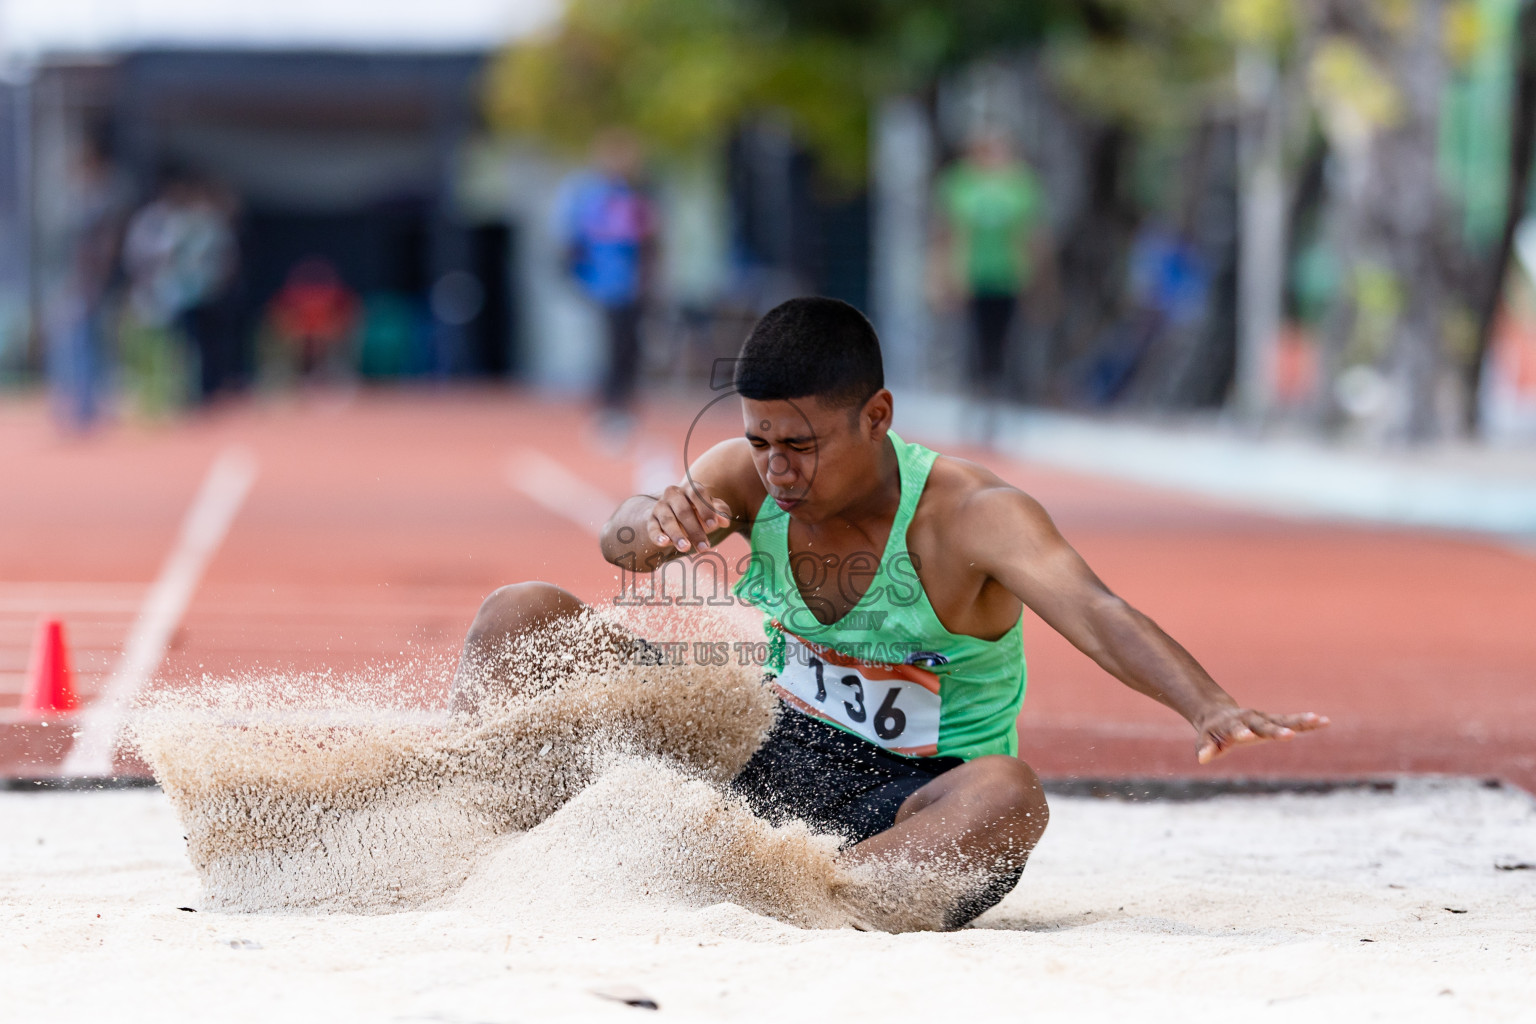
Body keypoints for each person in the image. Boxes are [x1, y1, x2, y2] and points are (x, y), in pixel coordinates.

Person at [454, 296, 1328, 929]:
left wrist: (1207, 702)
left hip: (909, 806)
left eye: (800, 446)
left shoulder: (971, 515)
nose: (777, 470)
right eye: (760, 444)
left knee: (1012, 795)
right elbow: (623, 543)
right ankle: (475, 825)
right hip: (771, 757)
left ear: (877, 417)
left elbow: (1096, 608)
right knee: (520, 614)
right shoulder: (741, 476)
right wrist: (650, 521)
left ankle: (810, 903)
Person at [933, 132, 1057, 422]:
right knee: (972, 337)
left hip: (1010, 276)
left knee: (1005, 338)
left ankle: (1001, 394)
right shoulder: (959, 182)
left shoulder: (1021, 184)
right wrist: (941, 275)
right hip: (970, 276)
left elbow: (1034, 234)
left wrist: (1043, 282)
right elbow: (945, 231)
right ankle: (975, 392)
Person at [553, 129, 658, 431]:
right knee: (612, 344)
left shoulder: (636, 195)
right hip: (603, 285)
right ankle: (610, 404)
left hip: (632, 284)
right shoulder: (591, 196)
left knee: (631, 345)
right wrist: (578, 277)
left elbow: (649, 241)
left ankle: (623, 401)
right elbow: (572, 241)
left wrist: (648, 280)